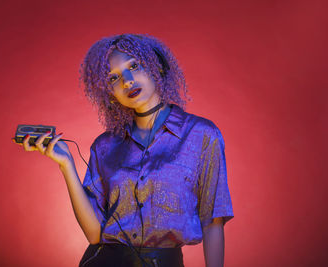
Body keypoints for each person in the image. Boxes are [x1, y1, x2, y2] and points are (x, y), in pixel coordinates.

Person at [14, 34, 234, 267]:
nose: (127, 80)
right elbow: (94, 234)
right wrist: (66, 164)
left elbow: (213, 222)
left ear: (157, 65)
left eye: (134, 66)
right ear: (109, 93)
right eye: (113, 77)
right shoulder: (105, 146)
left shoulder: (201, 134)